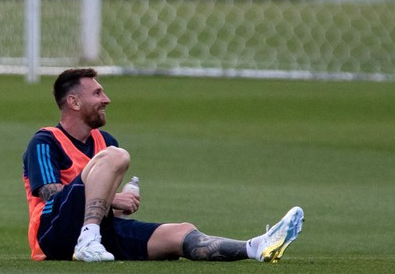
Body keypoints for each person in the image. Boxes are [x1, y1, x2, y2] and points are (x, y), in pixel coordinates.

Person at [21, 68, 304, 262]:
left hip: (100, 231)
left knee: (180, 232)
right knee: (118, 156)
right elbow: (52, 197)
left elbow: (101, 209)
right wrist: (113, 198)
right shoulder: (46, 141)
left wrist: (116, 205)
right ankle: (87, 241)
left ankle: (256, 247)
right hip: (52, 236)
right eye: (97, 93)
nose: (106, 99)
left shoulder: (104, 141)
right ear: (73, 102)